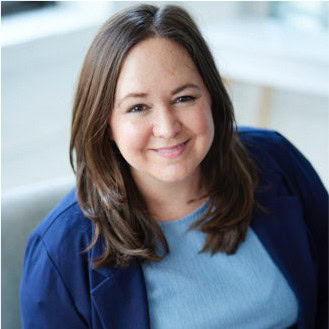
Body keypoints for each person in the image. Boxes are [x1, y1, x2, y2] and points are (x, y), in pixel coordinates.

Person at [19, 4, 328, 329]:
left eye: (184, 98)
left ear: (212, 96)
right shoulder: (59, 252)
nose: (167, 127)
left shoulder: (275, 161)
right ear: (105, 123)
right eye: (138, 107)